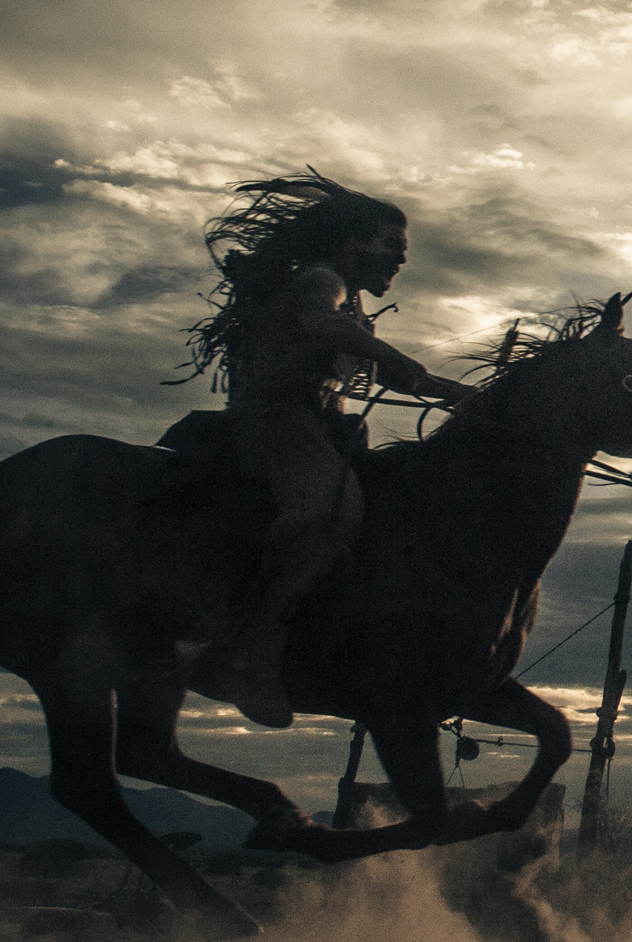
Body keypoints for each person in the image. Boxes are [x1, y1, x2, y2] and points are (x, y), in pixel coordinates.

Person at [167, 172, 474, 728]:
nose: (400, 261)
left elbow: (392, 369)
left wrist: (461, 395)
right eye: (391, 246)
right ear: (351, 243)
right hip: (277, 421)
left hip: (320, 424)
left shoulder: (349, 301)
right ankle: (238, 647)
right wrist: (395, 359)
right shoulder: (322, 280)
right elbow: (320, 322)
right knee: (330, 513)